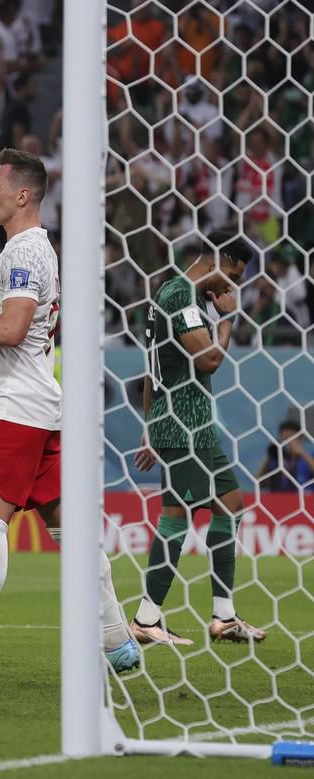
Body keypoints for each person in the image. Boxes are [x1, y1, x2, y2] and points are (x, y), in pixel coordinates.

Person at [0, 148, 139, 676]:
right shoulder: (33, 250)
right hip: (42, 405)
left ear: (22, 195)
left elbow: (11, 329)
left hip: (16, 403)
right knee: (68, 525)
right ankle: (117, 639)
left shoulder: (22, 254)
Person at [133, 234, 267, 645]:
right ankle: (148, 619)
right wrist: (226, 320)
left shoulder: (174, 294)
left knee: (229, 504)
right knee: (178, 517)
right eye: (231, 276)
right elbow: (207, 359)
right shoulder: (181, 297)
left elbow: (153, 368)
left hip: (188, 424)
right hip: (184, 426)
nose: (230, 288)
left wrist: (150, 424)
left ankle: (219, 616)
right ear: (217, 258)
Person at [257, 419, 314, 493]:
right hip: (278, 498)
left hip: (303, 497)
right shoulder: (275, 459)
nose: (288, 441)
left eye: (291, 437)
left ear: (300, 440)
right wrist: (271, 453)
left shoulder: (309, 457)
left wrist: (303, 454)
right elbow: (258, 482)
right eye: (285, 437)